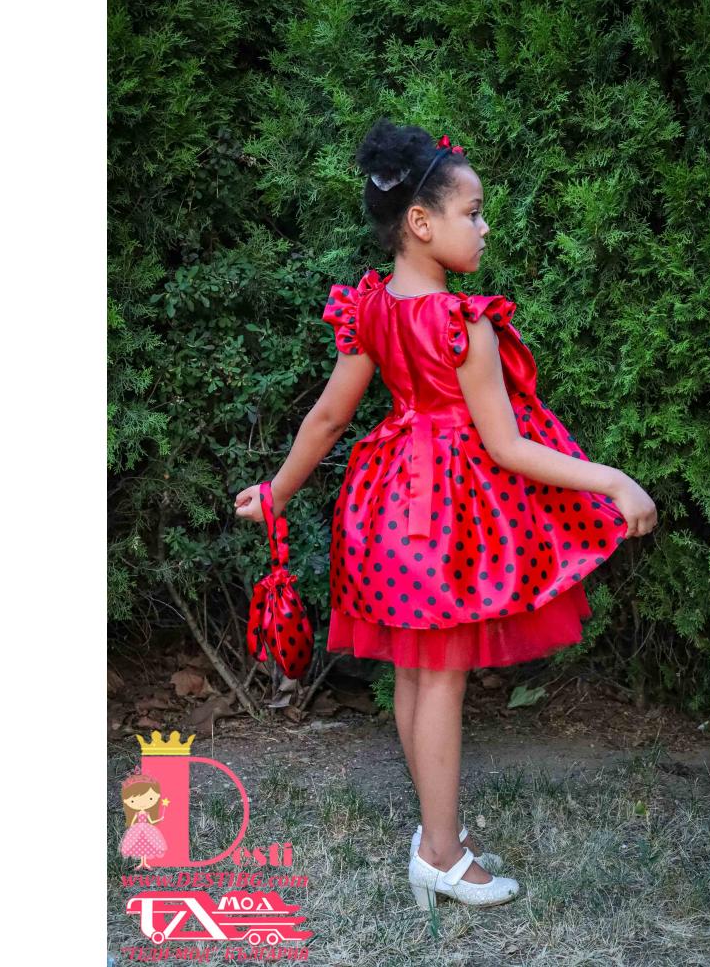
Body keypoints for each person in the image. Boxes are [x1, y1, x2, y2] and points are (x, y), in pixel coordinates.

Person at [235, 118, 657, 910]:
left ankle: (438, 838)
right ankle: (439, 852)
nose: (485, 227)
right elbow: (507, 447)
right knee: (440, 682)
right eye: (474, 212)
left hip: (382, 510)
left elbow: (328, 418)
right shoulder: (466, 325)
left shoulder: (370, 310)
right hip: (443, 521)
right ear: (422, 223)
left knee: (416, 673)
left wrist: (278, 490)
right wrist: (612, 480)